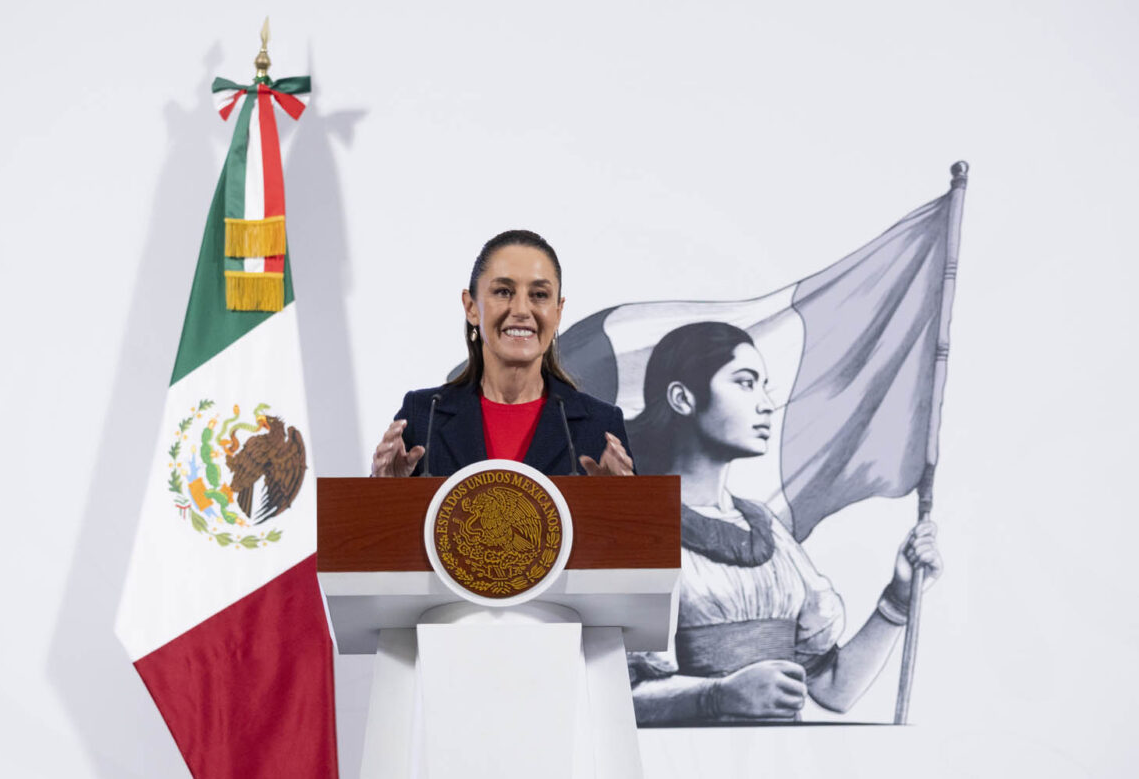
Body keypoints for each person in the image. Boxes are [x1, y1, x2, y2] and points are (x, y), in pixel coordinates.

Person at [626, 321, 942, 724]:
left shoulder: (768, 529)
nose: (765, 403)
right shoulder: (634, 527)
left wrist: (898, 598)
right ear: (682, 398)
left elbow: (833, 689)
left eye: (764, 385)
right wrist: (717, 696)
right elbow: (614, 695)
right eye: (745, 382)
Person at [370, 229, 635, 478]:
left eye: (539, 294)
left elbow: (633, 525)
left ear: (558, 311)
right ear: (471, 306)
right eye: (503, 291)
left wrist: (619, 500)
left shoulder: (600, 424)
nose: (521, 309)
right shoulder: (423, 417)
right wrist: (385, 489)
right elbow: (377, 524)